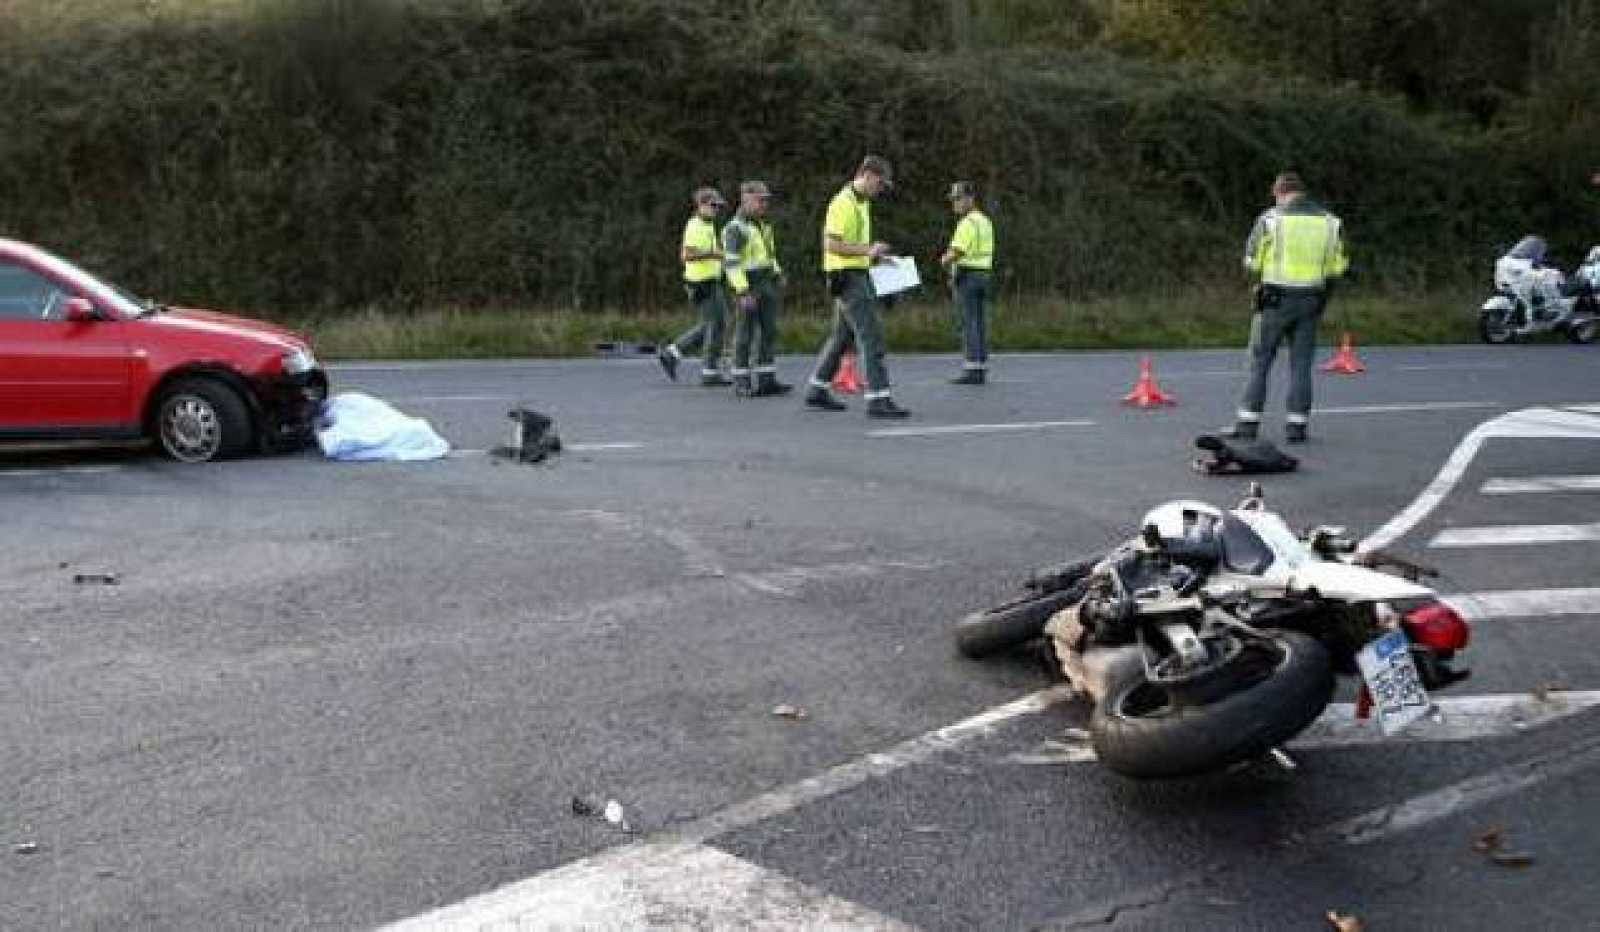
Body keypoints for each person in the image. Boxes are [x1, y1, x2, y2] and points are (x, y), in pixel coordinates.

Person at [1230, 172, 1348, 444]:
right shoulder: (1331, 223)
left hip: (1274, 299)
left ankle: (1247, 423)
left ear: (1279, 192)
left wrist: (1257, 283)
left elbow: (1251, 263)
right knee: (1302, 364)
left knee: (1260, 361)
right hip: (1311, 299)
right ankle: (1297, 427)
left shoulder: (1271, 220)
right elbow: (1338, 267)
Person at [802, 155, 909, 418]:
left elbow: (855, 248)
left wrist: (876, 257)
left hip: (855, 273)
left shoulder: (861, 203)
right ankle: (878, 399)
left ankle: (817, 388)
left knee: (842, 337)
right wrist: (867, 250)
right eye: (880, 184)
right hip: (847, 277)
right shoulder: (843, 203)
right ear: (868, 175)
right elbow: (831, 244)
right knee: (871, 336)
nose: (881, 190)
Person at [722, 180, 793, 397]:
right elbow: (732, 263)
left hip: (766, 281)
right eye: (760, 200)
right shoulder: (735, 228)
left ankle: (766, 379)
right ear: (746, 200)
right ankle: (741, 380)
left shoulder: (763, 225)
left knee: (769, 332)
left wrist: (778, 272)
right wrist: (742, 291)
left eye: (766, 201)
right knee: (744, 334)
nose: (764, 205)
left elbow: (769, 256)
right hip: (748, 283)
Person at [658, 187, 733, 386]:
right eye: (713, 206)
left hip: (710, 281)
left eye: (718, 207)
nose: (716, 210)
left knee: (713, 324)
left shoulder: (708, 225)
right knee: (717, 325)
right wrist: (713, 254)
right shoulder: (695, 225)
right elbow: (686, 255)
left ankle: (673, 353)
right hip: (701, 284)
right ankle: (709, 371)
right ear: (701, 205)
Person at [939, 181, 995, 385]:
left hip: (968, 275)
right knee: (979, 322)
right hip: (984, 274)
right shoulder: (985, 221)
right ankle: (980, 365)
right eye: (954, 199)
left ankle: (971, 367)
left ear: (970, 199)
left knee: (968, 322)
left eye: (958, 199)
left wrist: (944, 259)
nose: (955, 203)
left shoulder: (967, 223)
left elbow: (958, 250)